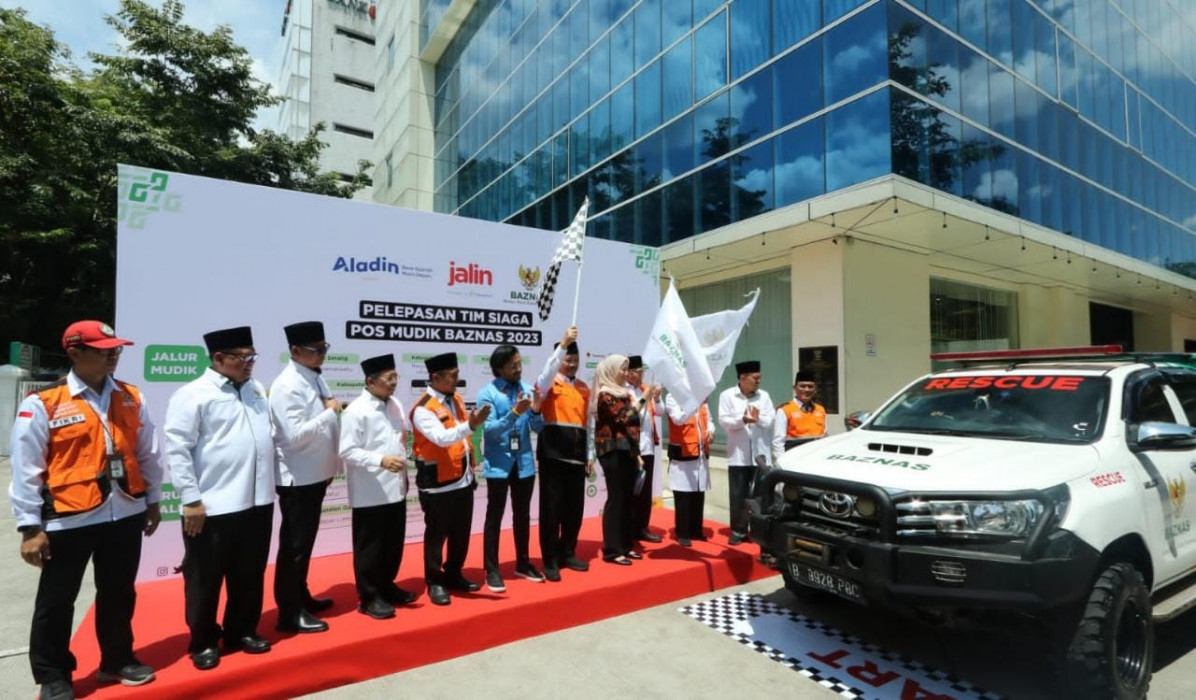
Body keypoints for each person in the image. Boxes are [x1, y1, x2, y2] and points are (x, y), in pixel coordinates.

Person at [8, 321, 163, 700]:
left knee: (119, 592)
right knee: (57, 601)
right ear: (75, 353)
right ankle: (53, 675)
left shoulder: (129, 396)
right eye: (104, 349)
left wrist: (154, 499)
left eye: (116, 349)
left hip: (124, 510)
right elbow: (26, 468)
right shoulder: (43, 402)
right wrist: (30, 527)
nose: (113, 355)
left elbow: (148, 453)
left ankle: (117, 659)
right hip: (68, 517)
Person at [164, 326, 276, 670]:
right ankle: (203, 639)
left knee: (250, 573)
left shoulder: (256, 389)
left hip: (257, 501)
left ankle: (241, 630)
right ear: (217, 358)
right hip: (212, 505)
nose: (249, 363)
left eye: (252, 356)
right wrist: (191, 499)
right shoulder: (193, 394)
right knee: (204, 579)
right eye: (242, 357)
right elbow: (177, 448)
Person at [269, 321, 339, 634]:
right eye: (316, 350)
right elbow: (293, 436)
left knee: (305, 543)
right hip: (297, 479)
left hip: (314, 475)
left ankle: (300, 594)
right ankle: (289, 611)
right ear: (295, 351)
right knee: (294, 546)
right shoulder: (288, 385)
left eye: (325, 348)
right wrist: (329, 412)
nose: (322, 354)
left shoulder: (312, 376)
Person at [339, 354, 418, 620]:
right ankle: (369, 596)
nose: (394, 383)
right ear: (370, 381)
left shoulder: (394, 403)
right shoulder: (356, 411)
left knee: (392, 544)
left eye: (396, 377)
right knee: (370, 547)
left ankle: (387, 585)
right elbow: (347, 450)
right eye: (389, 378)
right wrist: (380, 460)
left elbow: (401, 436)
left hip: (395, 486)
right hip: (369, 490)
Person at [410, 352, 490, 606]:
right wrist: (472, 425)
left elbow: (462, 440)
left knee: (461, 532)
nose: (457, 379)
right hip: (437, 484)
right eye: (453, 376)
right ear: (435, 377)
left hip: (462, 479)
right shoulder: (423, 408)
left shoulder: (455, 399)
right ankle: (434, 580)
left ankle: (454, 572)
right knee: (436, 535)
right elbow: (442, 438)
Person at [476, 345, 545, 593]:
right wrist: (515, 413)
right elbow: (491, 432)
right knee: (494, 516)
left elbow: (538, 427)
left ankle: (523, 562)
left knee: (523, 515)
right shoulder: (488, 393)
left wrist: (536, 412)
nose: (518, 368)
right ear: (499, 368)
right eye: (512, 365)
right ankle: (491, 568)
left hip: (524, 463)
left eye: (519, 363)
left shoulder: (527, 390)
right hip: (499, 465)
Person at [533, 326, 591, 581]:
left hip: (577, 455)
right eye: (568, 360)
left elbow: (587, 424)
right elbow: (546, 374)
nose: (572, 364)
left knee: (574, 509)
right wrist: (563, 346)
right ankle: (550, 559)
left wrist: (590, 456)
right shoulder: (548, 384)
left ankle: (568, 551)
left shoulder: (583, 388)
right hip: (553, 455)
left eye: (575, 360)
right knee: (551, 510)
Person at [590, 355, 647, 565]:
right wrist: (644, 398)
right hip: (612, 451)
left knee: (628, 499)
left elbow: (632, 428)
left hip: (627, 452)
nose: (625, 373)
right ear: (612, 370)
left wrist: (637, 454)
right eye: (622, 370)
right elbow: (624, 417)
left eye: (626, 370)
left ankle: (625, 545)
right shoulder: (606, 395)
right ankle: (612, 550)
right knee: (617, 498)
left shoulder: (623, 393)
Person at [718, 361, 776, 545]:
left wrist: (756, 419)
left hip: (760, 455)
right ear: (742, 378)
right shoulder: (727, 395)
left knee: (760, 495)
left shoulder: (764, 396)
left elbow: (770, 421)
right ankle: (739, 530)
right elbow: (724, 422)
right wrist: (741, 420)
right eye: (755, 378)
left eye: (759, 377)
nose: (759, 381)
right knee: (738, 495)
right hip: (738, 455)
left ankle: (758, 531)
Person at [665, 393, 714, 547]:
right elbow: (678, 419)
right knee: (683, 495)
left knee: (698, 493)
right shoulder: (672, 397)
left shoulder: (701, 398)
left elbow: (709, 420)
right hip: (683, 454)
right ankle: (683, 532)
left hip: (699, 453)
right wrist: (693, 400)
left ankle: (696, 530)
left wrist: (710, 431)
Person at [625, 356, 663, 543]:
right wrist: (645, 397)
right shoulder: (624, 391)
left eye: (642, 372)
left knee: (646, 490)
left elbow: (661, 411)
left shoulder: (644, 389)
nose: (640, 376)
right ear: (628, 373)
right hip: (633, 448)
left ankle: (643, 527)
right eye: (637, 373)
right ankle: (629, 529)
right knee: (633, 490)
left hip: (648, 446)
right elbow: (631, 414)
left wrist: (657, 398)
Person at [772, 370, 828, 461]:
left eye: (810, 386)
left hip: (817, 458)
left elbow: (825, 436)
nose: (806, 389)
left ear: (815, 389)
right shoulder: (785, 410)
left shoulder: (820, 410)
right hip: (795, 460)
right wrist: (783, 462)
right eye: (802, 386)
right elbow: (778, 442)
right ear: (794, 388)